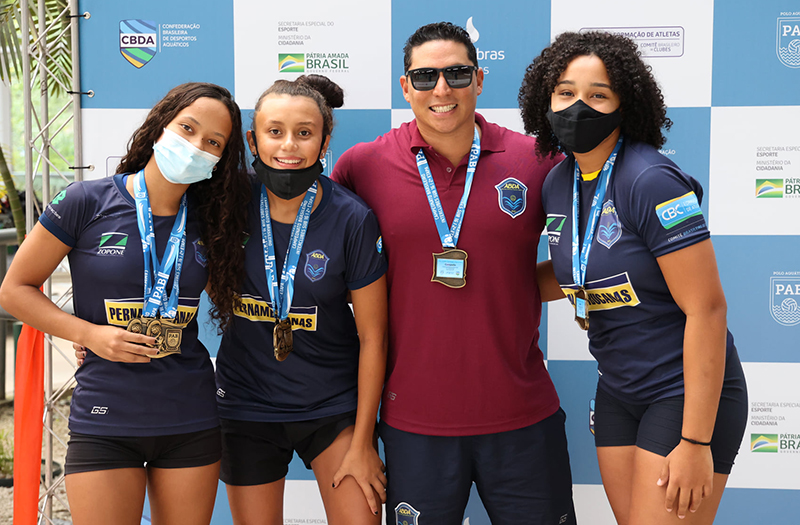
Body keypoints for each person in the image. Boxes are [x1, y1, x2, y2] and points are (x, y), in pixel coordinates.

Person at [332, 22, 576, 525]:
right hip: (413, 423)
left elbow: (588, 253)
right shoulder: (362, 166)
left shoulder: (536, 160)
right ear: (406, 87)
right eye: (425, 77)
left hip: (522, 417)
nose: (441, 89)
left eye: (456, 74)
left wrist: (522, 285)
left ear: (480, 80)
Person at [518, 31, 748, 525]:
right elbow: (577, 273)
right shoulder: (559, 181)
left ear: (625, 104)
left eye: (597, 94)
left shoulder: (651, 180)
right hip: (618, 391)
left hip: (683, 393)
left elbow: (707, 309)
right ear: (545, 101)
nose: (578, 106)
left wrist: (695, 441)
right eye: (565, 92)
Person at [0, 82, 250, 524]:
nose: (196, 146)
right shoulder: (86, 201)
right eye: (187, 129)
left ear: (220, 161)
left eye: (213, 142)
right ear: (158, 128)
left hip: (189, 416)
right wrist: (88, 334)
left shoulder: (215, 223)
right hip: (106, 416)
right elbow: (15, 290)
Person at [213, 75, 388, 525]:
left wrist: (364, 441)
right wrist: (94, 330)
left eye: (304, 133)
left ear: (325, 140)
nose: (289, 146)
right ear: (253, 139)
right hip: (246, 405)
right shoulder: (224, 202)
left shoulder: (353, 218)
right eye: (275, 132)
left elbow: (374, 336)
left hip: (331, 406)